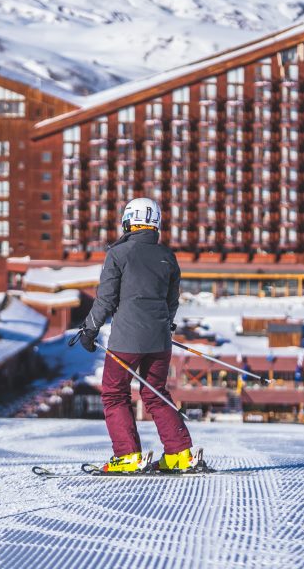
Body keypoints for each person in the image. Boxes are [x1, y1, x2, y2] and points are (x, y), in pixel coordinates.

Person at [75, 197, 197, 473]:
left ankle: (127, 455)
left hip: (126, 340)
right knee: (155, 393)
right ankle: (180, 454)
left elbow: (105, 298)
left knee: (114, 393)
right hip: (159, 340)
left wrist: (89, 328)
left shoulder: (118, 255)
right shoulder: (167, 256)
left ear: (129, 221)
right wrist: (164, 325)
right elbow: (172, 301)